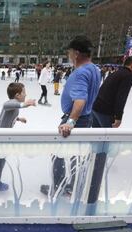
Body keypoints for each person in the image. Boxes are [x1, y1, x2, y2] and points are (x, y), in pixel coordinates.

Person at [41, 36, 101, 196]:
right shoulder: (95, 69)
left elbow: (80, 100)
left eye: (69, 52)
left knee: (58, 153)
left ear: (76, 53)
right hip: (87, 117)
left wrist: (71, 122)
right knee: (76, 155)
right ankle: (72, 187)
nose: (68, 55)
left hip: (77, 118)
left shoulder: (80, 72)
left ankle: (58, 188)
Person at [92, 56, 132, 128]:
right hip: (105, 112)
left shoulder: (117, 72)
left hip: (95, 108)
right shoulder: (128, 75)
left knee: (96, 136)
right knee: (107, 138)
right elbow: (121, 97)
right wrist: (118, 117)